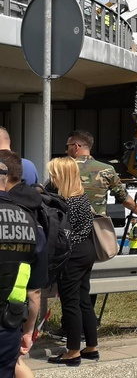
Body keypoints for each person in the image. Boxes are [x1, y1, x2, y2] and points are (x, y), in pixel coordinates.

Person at [46, 157, 98, 367]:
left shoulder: (66, 203)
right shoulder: (82, 197)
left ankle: (73, 351)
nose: (51, 178)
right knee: (84, 299)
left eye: (53, 174)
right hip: (87, 251)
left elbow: (63, 234)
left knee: (71, 302)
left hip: (73, 255)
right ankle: (91, 347)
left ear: (61, 176)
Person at [0, 161, 45, 376]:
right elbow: (35, 291)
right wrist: (28, 330)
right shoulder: (29, 221)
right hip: (9, 324)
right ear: (6, 181)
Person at [65, 130, 137, 216]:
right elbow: (123, 197)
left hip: (67, 225)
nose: (66, 151)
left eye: (67, 147)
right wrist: (136, 208)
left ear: (76, 147)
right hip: (96, 225)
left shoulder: (61, 169)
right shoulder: (107, 170)